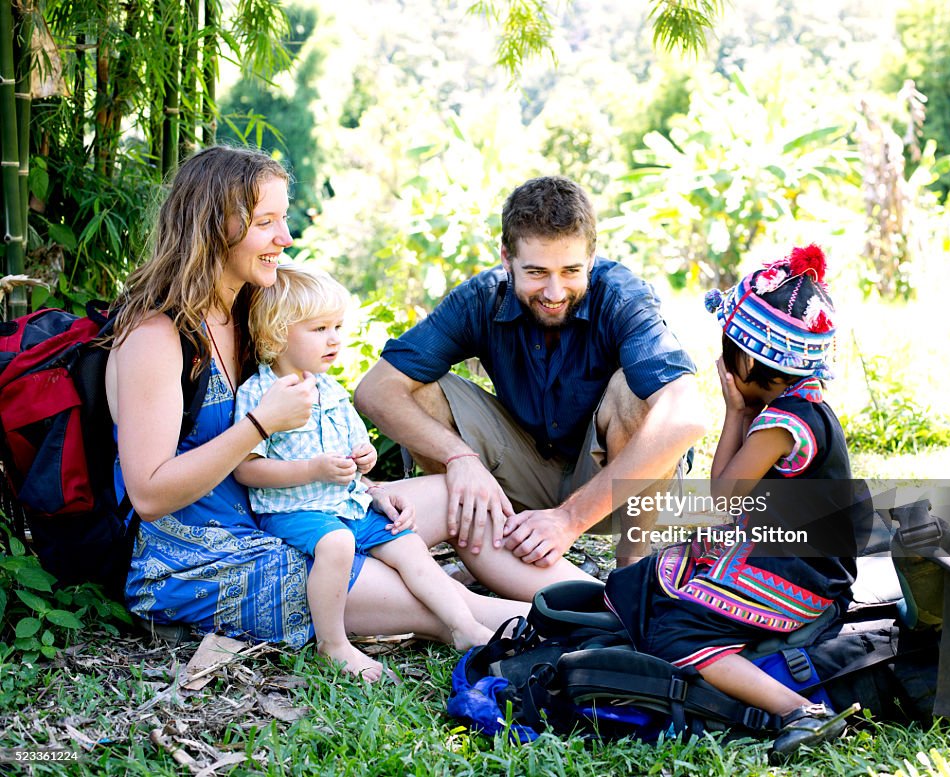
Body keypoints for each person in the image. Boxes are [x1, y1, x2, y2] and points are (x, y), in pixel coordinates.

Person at [105, 146, 588, 658]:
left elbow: (297, 443)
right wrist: (258, 425)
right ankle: (602, 619)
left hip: (288, 506)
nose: (284, 238)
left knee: (459, 496)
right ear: (212, 227)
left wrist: (365, 485)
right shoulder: (156, 336)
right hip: (208, 561)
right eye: (265, 221)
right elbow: (149, 494)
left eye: (283, 218)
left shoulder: (247, 314)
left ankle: (607, 597)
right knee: (450, 604)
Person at [354, 176, 706, 570]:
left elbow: (686, 419)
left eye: (571, 270)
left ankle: (632, 570)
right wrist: (459, 457)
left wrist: (569, 521)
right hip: (522, 473)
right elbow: (375, 390)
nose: (555, 292)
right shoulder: (481, 298)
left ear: (592, 257)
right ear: (507, 258)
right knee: (417, 388)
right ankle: (500, 551)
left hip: (621, 490)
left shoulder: (622, 297)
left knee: (639, 391)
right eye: (537, 272)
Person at [603, 244, 865, 757]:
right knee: (649, 579)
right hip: (786, 551)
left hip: (804, 576)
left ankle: (799, 710)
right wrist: (742, 413)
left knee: (674, 634)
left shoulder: (781, 425)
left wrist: (733, 413)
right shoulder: (797, 404)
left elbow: (719, 497)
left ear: (745, 356)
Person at [233, 265, 494, 680]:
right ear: (277, 334)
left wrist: (367, 469)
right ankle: (332, 644)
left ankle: (464, 626)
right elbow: (247, 471)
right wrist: (312, 469)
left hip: (350, 503)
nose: (334, 337)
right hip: (296, 510)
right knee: (336, 544)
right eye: (319, 328)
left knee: (408, 547)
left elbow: (355, 462)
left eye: (337, 325)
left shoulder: (331, 390)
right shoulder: (261, 393)